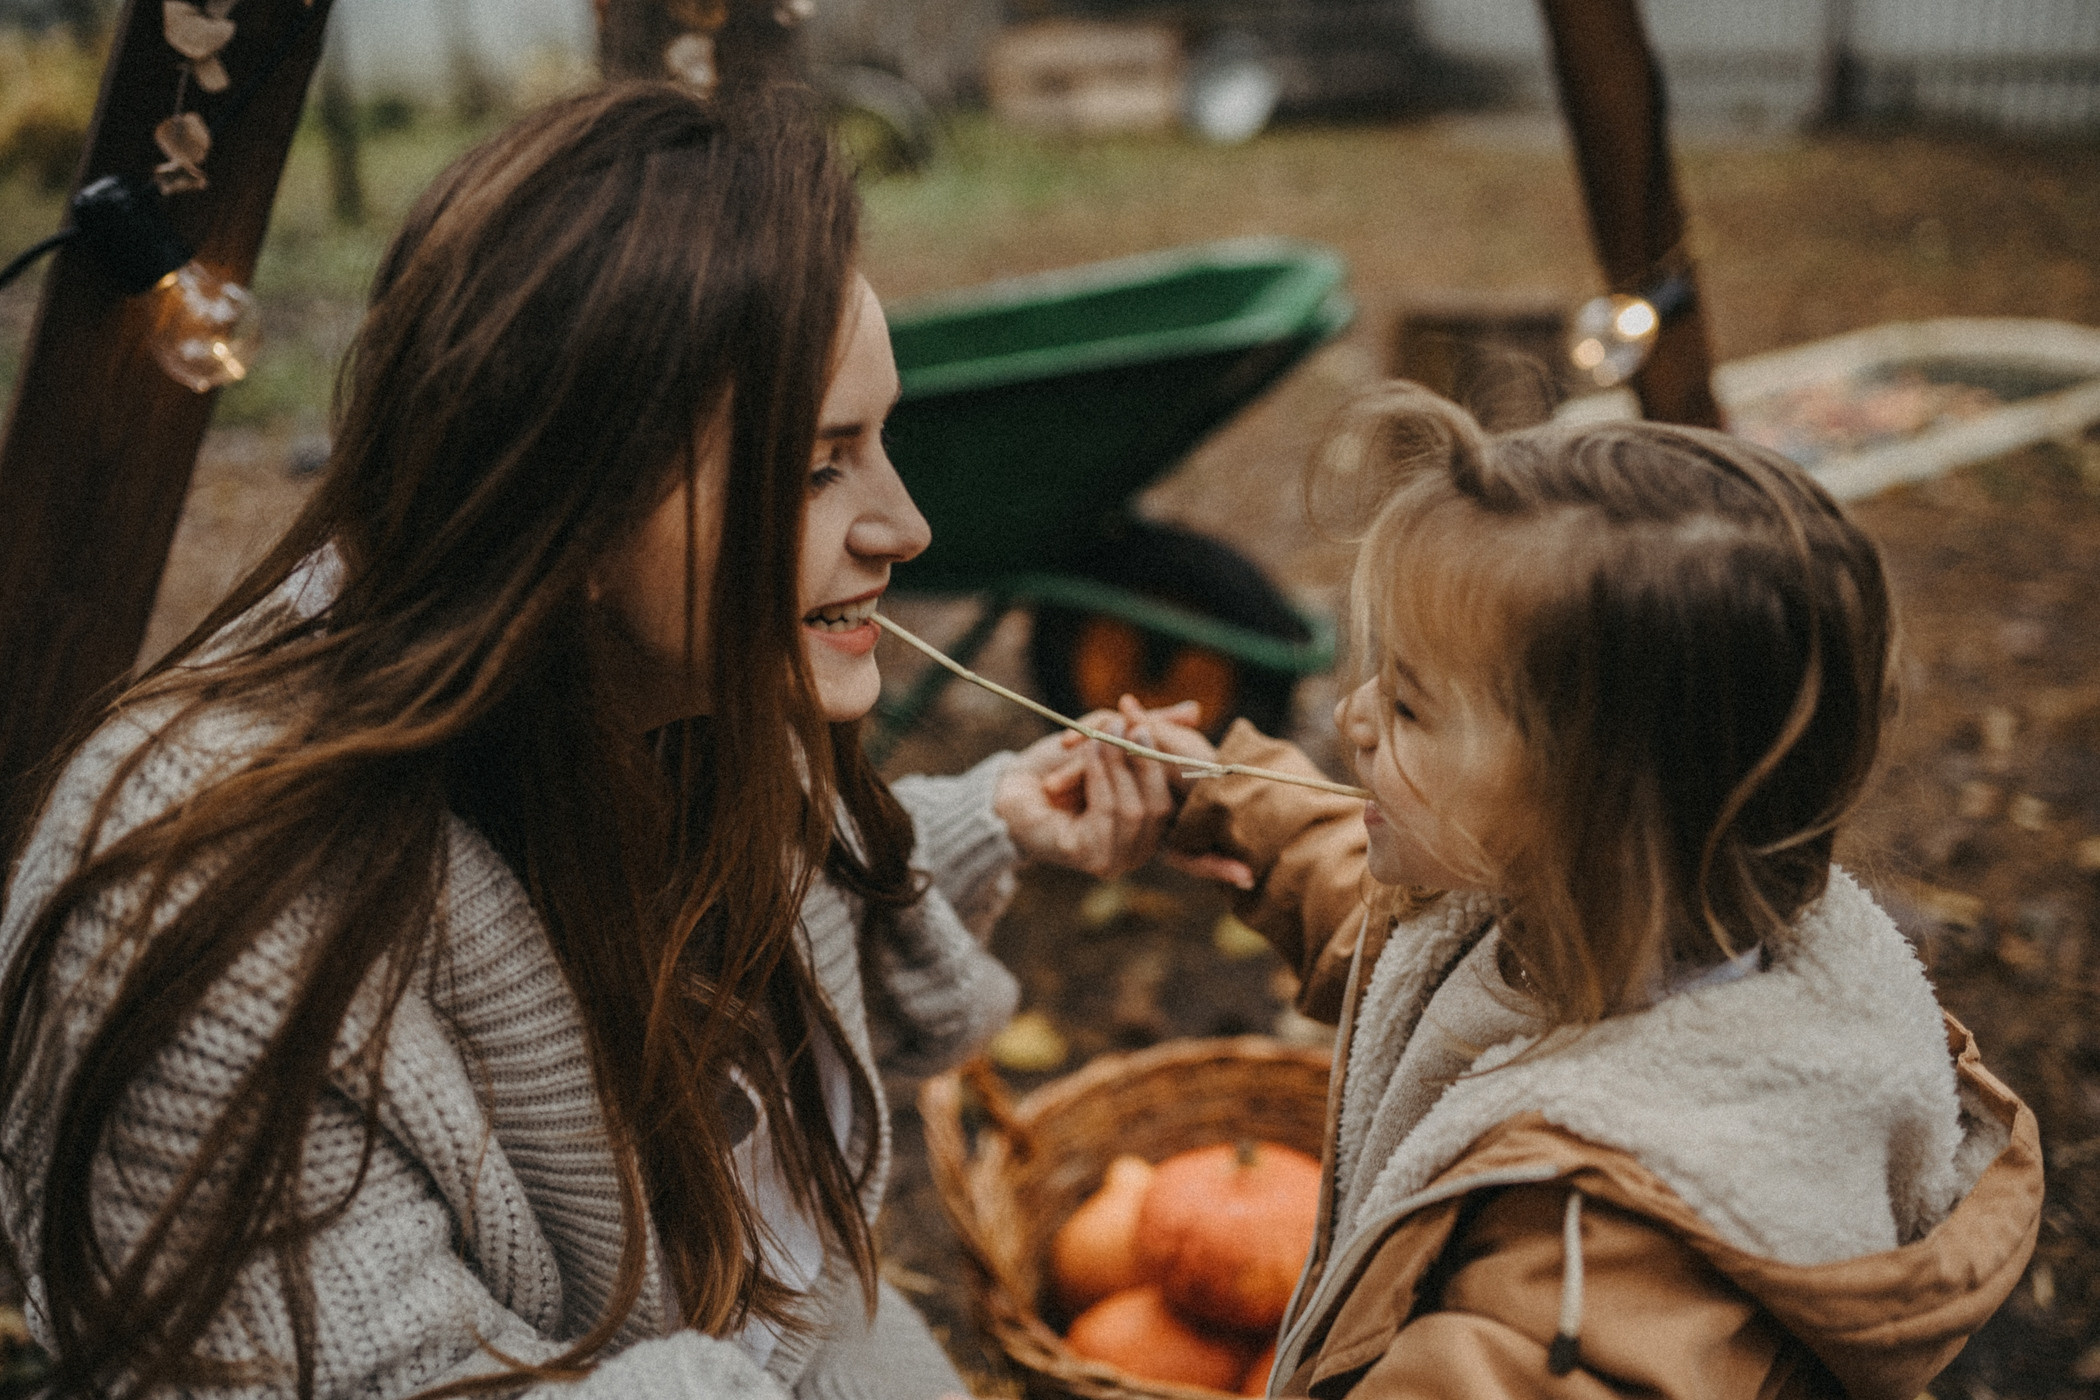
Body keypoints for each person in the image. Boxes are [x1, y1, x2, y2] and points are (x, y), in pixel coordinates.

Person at [0, 83, 1187, 1400]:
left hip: (755, 1318)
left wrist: (997, 816)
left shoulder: (670, 691)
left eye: (881, 442)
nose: (905, 529)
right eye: (816, 468)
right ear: (563, 502)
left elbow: (755, 936)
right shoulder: (202, 907)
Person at [1151, 384, 2043, 1397]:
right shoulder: (1578, 915)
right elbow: (1402, 946)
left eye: (1407, 702)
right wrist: (1229, 798)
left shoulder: (1598, 1261)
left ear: (1590, 810)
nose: (1354, 716)